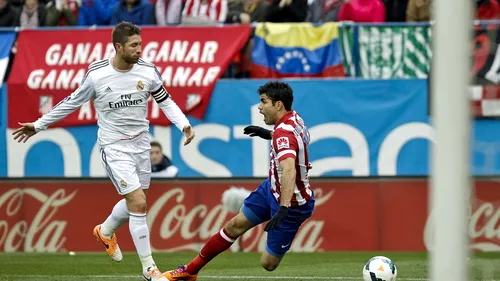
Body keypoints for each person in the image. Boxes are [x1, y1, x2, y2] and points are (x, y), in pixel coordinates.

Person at [12, 21, 195, 281]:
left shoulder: (148, 71)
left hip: (141, 143)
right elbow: (71, 102)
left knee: (137, 199)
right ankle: (149, 270)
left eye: (141, 44)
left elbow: (165, 101)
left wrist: (184, 124)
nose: (139, 50)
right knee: (139, 202)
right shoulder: (97, 74)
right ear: (118, 47)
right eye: (134, 45)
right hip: (114, 145)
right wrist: (39, 125)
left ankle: (105, 231)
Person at [162, 81, 314, 281]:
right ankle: (190, 270)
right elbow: (292, 140)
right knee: (234, 226)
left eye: (263, 101)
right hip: (271, 188)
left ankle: (284, 228)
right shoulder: (294, 119)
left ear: (278, 105)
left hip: (292, 203)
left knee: (268, 264)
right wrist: (268, 134)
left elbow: (288, 169)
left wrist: (283, 207)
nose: (259, 107)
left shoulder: (283, 133)